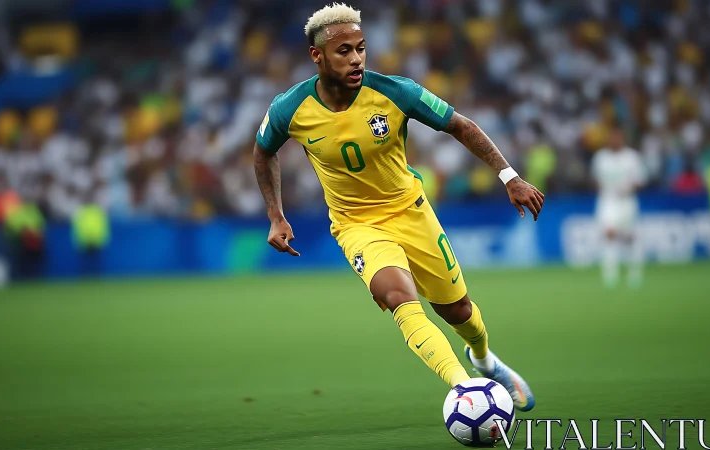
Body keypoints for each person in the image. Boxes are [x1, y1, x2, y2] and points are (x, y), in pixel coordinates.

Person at [252, 3, 543, 411]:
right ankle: (465, 391)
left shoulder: (393, 91)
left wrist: (510, 178)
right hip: (356, 225)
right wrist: (276, 215)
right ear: (317, 56)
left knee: (457, 310)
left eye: (361, 48)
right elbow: (263, 153)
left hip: (411, 211)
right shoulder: (291, 108)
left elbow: (462, 126)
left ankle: (483, 359)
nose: (356, 58)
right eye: (344, 51)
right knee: (397, 296)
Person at [591, 127, 646, 288]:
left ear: (622, 138)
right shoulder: (601, 158)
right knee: (609, 234)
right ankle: (610, 275)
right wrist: (603, 187)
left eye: (617, 137)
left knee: (629, 238)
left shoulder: (632, 157)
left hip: (627, 201)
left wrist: (629, 188)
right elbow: (595, 179)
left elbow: (640, 180)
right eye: (611, 137)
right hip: (608, 200)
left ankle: (634, 273)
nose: (614, 140)